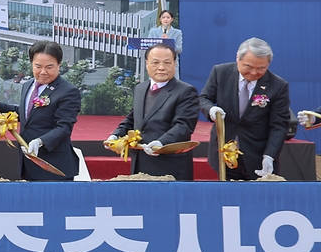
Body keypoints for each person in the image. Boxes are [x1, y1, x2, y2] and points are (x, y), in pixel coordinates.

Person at [200, 37, 290, 180]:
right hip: (225, 150)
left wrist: (269, 156)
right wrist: (211, 110)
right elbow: (204, 98)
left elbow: (279, 125)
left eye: (261, 68)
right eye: (248, 67)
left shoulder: (277, 86)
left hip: (257, 154)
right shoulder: (220, 72)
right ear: (238, 58)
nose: (254, 73)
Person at [105, 43, 200, 180]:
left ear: (175, 64)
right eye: (155, 62)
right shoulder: (140, 88)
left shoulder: (185, 91)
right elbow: (133, 119)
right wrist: (115, 136)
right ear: (146, 64)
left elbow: (183, 126)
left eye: (167, 63)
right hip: (140, 164)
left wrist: (160, 144)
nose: (161, 67)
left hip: (169, 165)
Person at [0, 40, 81, 181]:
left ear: (59, 65)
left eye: (49, 67)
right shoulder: (28, 85)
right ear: (31, 64)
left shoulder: (68, 91)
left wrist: (40, 142)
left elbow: (64, 127)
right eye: (38, 66)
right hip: (28, 163)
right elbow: (26, 115)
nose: (43, 72)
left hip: (54, 165)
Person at [147, 10, 183, 78]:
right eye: (163, 17)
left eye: (168, 17)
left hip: (170, 63)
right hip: (156, 62)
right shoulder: (153, 31)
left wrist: (169, 41)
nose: (165, 19)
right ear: (160, 19)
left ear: (172, 19)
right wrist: (160, 42)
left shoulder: (178, 32)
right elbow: (149, 46)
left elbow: (179, 50)